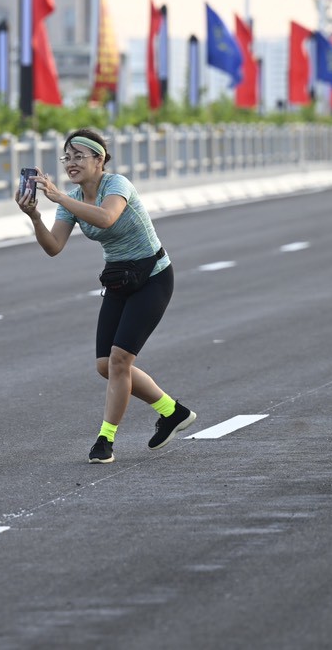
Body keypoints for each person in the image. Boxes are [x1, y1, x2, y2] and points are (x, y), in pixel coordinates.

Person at [16, 128, 196, 463]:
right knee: (105, 366)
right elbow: (53, 247)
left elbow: (107, 218)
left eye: (79, 156)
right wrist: (35, 217)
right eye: (67, 157)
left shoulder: (117, 185)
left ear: (99, 160)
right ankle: (172, 411)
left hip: (153, 277)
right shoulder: (71, 199)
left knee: (119, 361)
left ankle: (105, 440)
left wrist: (59, 197)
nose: (71, 163)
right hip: (119, 279)